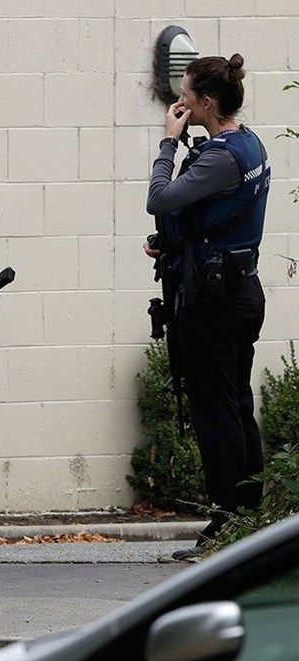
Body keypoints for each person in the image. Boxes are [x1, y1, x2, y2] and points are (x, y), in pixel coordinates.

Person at [144, 54, 270, 556]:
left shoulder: (220, 156)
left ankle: (226, 529)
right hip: (239, 291)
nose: (181, 102)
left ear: (208, 103)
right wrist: (174, 243)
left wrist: (167, 144)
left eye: (188, 95)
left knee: (216, 412)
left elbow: (160, 198)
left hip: (213, 305)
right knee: (237, 404)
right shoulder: (249, 142)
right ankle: (249, 519)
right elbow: (212, 216)